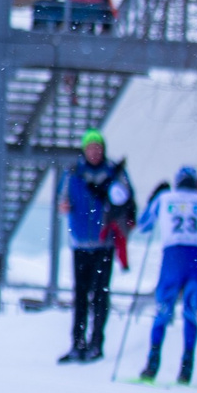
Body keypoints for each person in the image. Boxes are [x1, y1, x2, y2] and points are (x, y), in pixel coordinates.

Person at [137, 165, 197, 382]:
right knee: (190, 312)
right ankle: (186, 368)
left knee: (163, 311)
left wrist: (152, 199)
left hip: (173, 257)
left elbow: (143, 225)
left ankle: (152, 364)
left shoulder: (165, 198)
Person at [56, 130, 134, 364]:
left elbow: (127, 202)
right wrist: (64, 206)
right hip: (80, 242)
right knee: (80, 295)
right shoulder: (73, 173)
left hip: (104, 242)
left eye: (97, 147)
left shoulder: (114, 173)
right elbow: (61, 200)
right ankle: (77, 343)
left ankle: (96, 343)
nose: (94, 152)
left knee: (100, 295)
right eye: (90, 148)